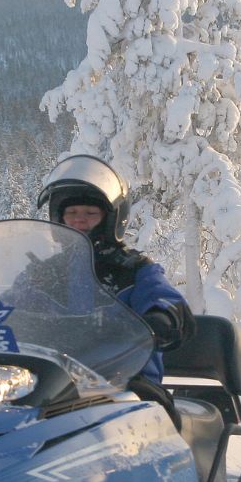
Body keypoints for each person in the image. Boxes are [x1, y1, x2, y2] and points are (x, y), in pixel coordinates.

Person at [36, 155, 195, 399]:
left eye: (90, 213)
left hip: (127, 386)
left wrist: (163, 316)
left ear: (111, 219)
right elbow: (13, 300)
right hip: (51, 384)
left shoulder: (134, 270)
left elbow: (165, 299)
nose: (80, 219)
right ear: (59, 217)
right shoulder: (47, 273)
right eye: (72, 212)